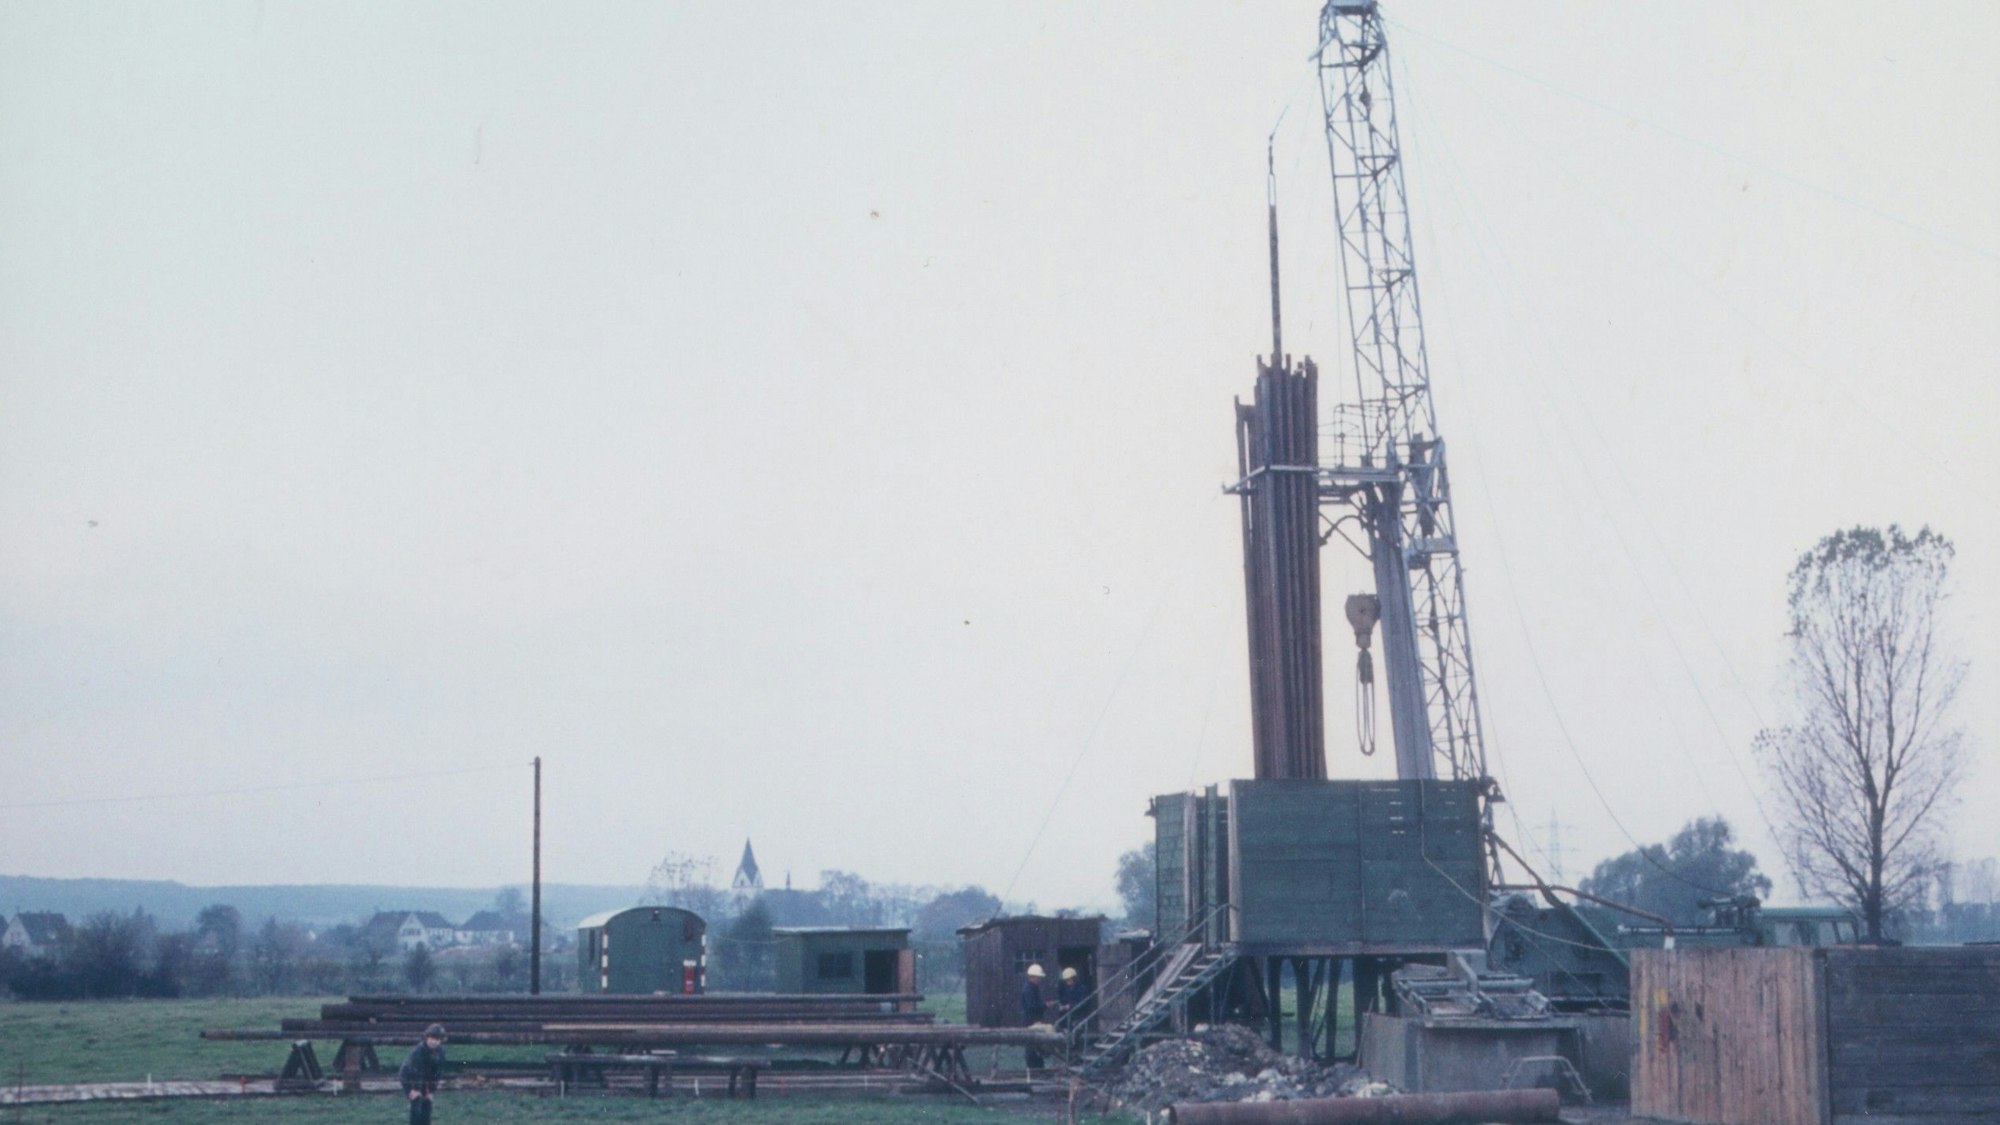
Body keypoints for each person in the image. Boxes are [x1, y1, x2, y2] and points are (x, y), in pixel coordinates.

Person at [398, 1023, 446, 1125]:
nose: (434, 1042)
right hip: (409, 1078)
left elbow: (437, 1073)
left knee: (427, 1103)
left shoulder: (440, 1052)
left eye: (437, 1039)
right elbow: (416, 1071)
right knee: (416, 1102)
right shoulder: (419, 1051)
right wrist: (415, 1089)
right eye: (431, 1038)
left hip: (425, 1078)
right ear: (426, 1037)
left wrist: (431, 1090)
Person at [1020, 963, 1048, 1071]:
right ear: (1033, 977)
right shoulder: (1029, 989)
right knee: (1032, 1047)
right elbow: (1031, 1006)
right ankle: (1033, 1069)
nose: (1040, 980)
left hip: (1034, 1020)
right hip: (1031, 1021)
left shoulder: (1032, 988)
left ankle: (1037, 1068)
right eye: (1038, 977)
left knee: (1037, 1046)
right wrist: (1044, 1006)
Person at [1056, 965, 1092, 1032]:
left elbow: (1083, 1003)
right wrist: (1062, 1006)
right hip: (1068, 1017)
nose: (1068, 981)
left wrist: (1070, 1006)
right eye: (1066, 980)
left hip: (1079, 1016)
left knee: (1077, 1030)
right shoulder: (1066, 990)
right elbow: (1064, 1000)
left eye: (1070, 979)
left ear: (1074, 978)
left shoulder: (1082, 989)